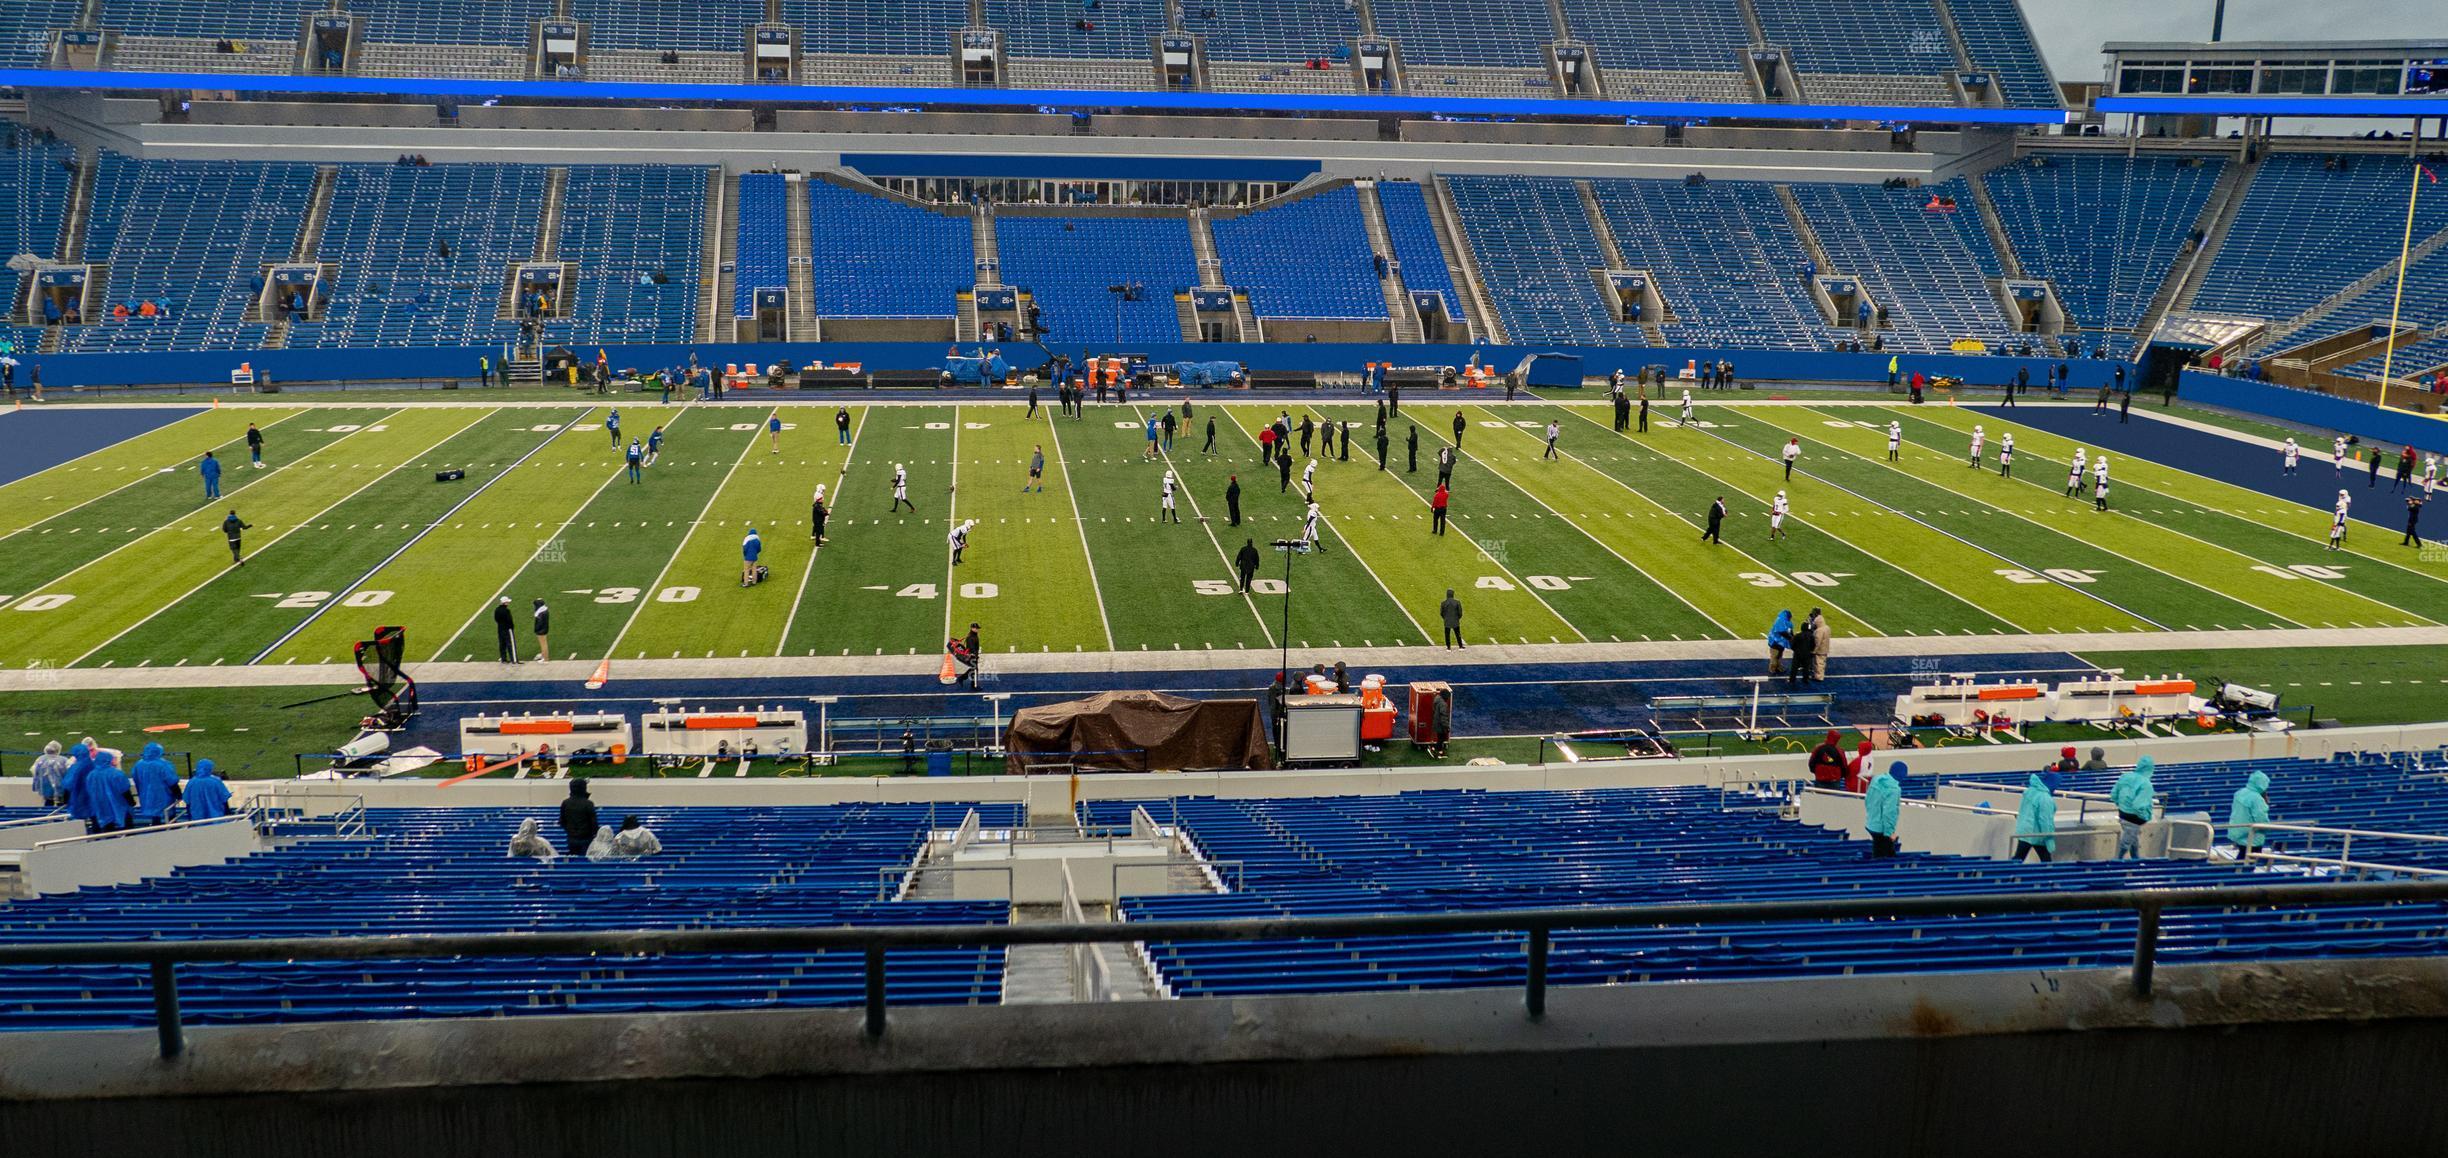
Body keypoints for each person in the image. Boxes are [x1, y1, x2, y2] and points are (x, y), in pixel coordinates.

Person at [2112, 755, 2156, 860]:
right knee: (2127, 841)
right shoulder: (2146, 784)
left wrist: (2121, 805)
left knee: (2132, 839)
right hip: (2134, 818)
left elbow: (2114, 795)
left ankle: (2135, 858)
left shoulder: (2125, 776)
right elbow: (2138, 805)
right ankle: (2116, 861)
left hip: (2122, 813)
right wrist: (2144, 815)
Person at [129, 741, 181, 826]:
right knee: (169, 813)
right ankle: (172, 827)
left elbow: (136, 778)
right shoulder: (163, 764)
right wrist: (178, 794)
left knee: (154, 815)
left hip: (146, 794)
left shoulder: (138, 764)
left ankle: (155, 826)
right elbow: (171, 781)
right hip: (163, 794)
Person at [84, 750, 133, 834]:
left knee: (107, 829)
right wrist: (131, 802)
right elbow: (125, 790)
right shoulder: (116, 773)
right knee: (127, 828)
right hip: (119, 805)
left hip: (100, 806)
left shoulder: (91, 775)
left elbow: (89, 790)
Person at [1863, 760, 1904, 857]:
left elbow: (1868, 800)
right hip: (1882, 829)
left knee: (1880, 852)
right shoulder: (1894, 789)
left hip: (1871, 822)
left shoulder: (1876, 780)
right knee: (1884, 858)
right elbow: (1889, 812)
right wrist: (1889, 832)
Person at [2013, 773, 2056, 863]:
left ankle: (2007, 873)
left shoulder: (2030, 791)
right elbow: (2045, 820)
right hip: (2037, 834)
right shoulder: (2045, 798)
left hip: (2024, 831)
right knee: (2046, 861)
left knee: (2018, 858)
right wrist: (2049, 838)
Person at [2227, 770, 2271, 856]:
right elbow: (2261, 819)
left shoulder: (2240, 793)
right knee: (2250, 860)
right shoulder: (2257, 799)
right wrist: (2267, 828)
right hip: (2252, 837)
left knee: (2243, 856)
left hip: (2238, 832)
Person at [559, 779, 599, 856]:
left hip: (571, 838)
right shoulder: (588, 804)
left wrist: (570, 831)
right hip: (587, 839)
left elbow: (562, 821)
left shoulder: (565, 803)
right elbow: (594, 823)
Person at [29, 740, 70, 808]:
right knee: (62, 805)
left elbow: (34, 771)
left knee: (48, 804)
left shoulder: (40, 759)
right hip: (61, 788)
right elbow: (70, 773)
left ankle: (48, 816)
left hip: (45, 788)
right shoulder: (63, 760)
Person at [1786, 606, 1815, 688]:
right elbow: (1813, 645)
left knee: (1794, 667)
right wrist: (1810, 651)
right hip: (1807, 654)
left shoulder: (1798, 635)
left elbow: (1792, 644)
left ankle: (1792, 679)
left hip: (1798, 653)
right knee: (1806, 667)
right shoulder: (1811, 636)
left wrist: (1795, 650)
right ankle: (1805, 679)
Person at [1806, 609, 1831, 682]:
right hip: (1825, 647)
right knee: (1822, 662)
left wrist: (1814, 650)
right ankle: (1819, 675)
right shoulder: (1827, 627)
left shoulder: (1819, 631)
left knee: (1819, 663)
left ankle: (1819, 677)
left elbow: (1817, 642)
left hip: (1820, 649)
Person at [1766, 609, 1793, 675]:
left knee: (1779, 656)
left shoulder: (1787, 622)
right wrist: (1791, 638)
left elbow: (1790, 631)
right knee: (1774, 656)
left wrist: (1792, 637)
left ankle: (1778, 667)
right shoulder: (1779, 621)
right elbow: (1782, 632)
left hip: (1781, 643)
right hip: (1775, 642)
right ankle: (1772, 668)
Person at [493, 596, 518, 662]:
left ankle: (503, 658)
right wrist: (511, 627)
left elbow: (496, 619)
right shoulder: (506, 611)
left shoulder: (497, 610)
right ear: (505, 603)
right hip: (508, 629)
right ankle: (514, 659)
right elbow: (509, 620)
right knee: (510, 644)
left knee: (502, 644)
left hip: (500, 629)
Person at [530, 597, 551, 661]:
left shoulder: (540, 613)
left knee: (543, 645)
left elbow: (539, 624)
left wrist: (536, 630)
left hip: (541, 631)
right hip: (544, 629)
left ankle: (545, 658)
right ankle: (543, 655)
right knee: (544, 644)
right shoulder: (544, 610)